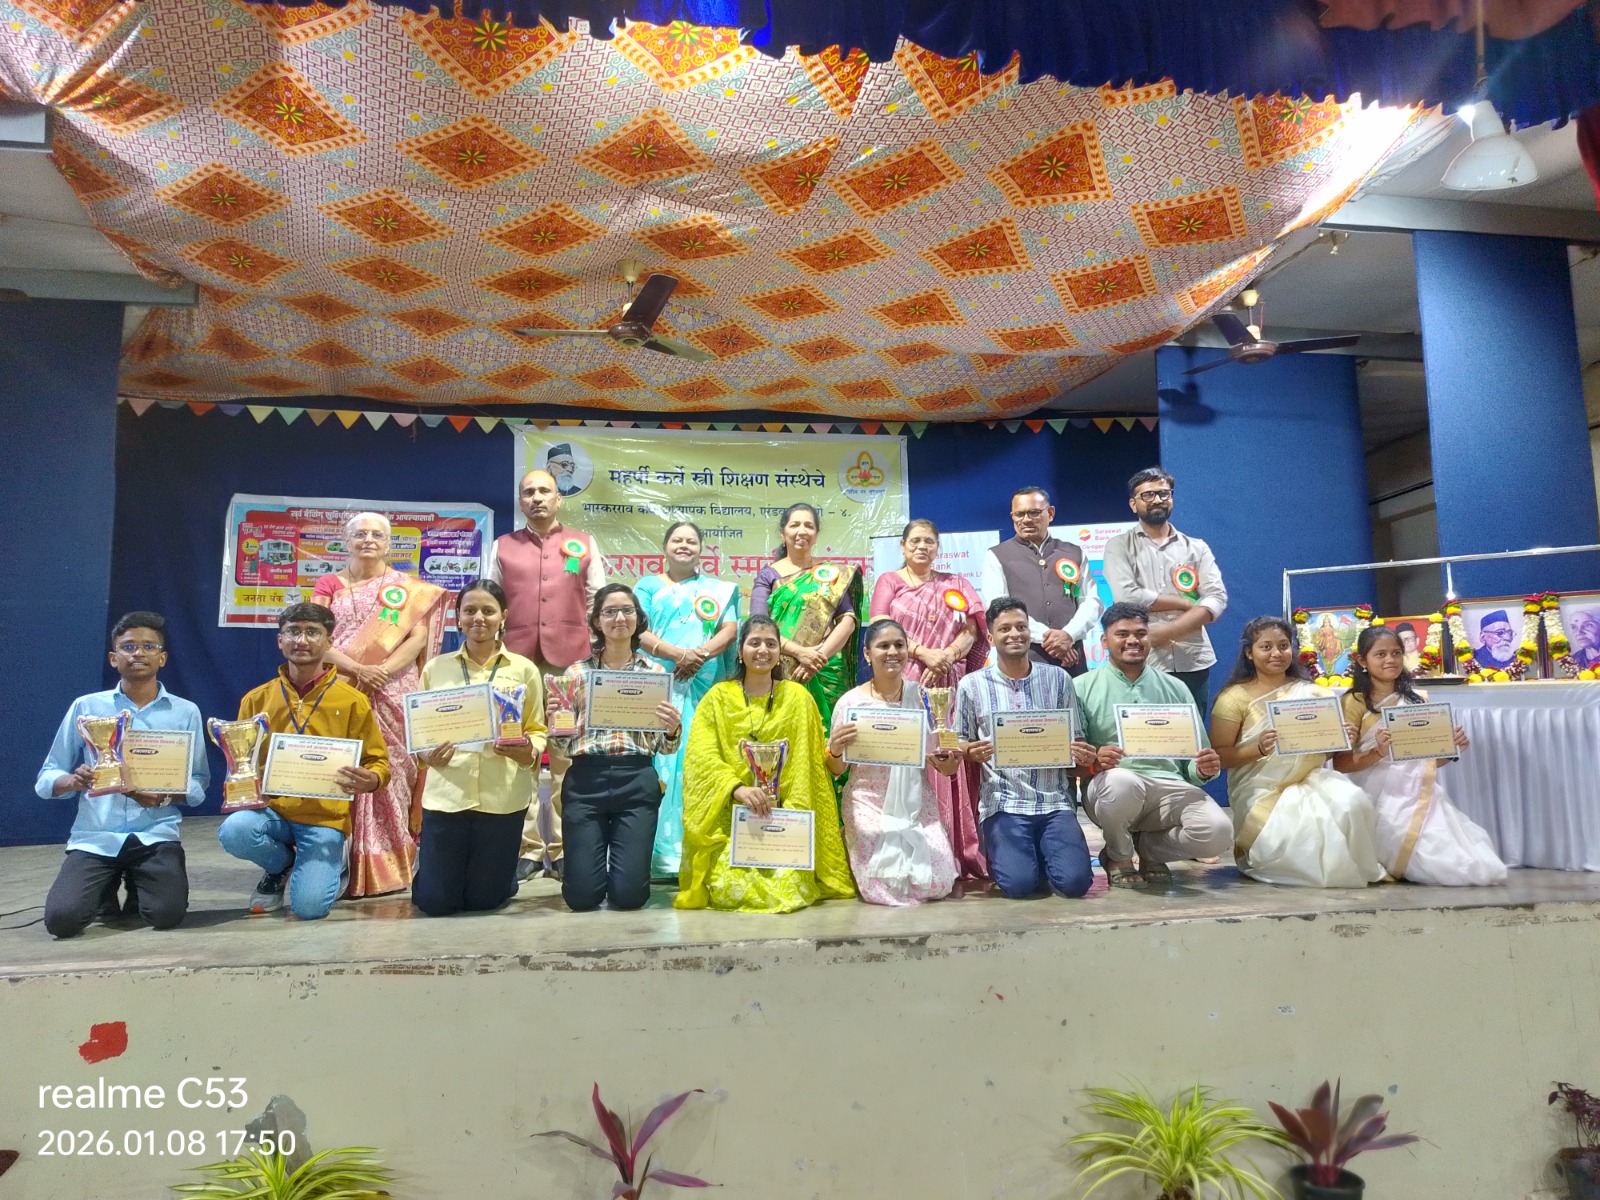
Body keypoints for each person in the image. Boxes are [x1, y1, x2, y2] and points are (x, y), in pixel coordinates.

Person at [34, 612, 208, 938]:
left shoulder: (185, 711)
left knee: (166, 915)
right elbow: (47, 776)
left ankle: (139, 884)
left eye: (148, 646)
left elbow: (198, 782)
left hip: (155, 835)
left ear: (162, 658)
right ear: (114, 658)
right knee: (62, 921)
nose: (138, 653)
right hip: (96, 836)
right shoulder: (86, 708)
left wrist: (165, 796)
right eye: (128, 647)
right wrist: (73, 781)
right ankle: (105, 886)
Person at [219, 603, 389, 920]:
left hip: (323, 819)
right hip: (272, 812)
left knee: (309, 909)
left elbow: (379, 762)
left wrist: (372, 779)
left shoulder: (353, 701)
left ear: (329, 642)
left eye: (313, 632)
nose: (302, 640)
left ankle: (332, 857)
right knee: (235, 831)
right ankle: (279, 865)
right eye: (293, 632)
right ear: (280, 640)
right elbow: (242, 762)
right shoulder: (256, 700)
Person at [676, 615, 855, 912]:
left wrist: (791, 818)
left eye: (771, 644)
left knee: (790, 889)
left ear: (780, 653)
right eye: (754, 642)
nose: (763, 650)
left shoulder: (798, 698)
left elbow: (808, 770)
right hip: (733, 816)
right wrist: (736, 788)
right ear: (740, 651)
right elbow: (702, 756)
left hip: (786, 819)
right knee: (729, 889)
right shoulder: (718, 698)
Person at [313, 511, 446, 897]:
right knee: (346, 767)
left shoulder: (406, 588)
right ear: (346, 541)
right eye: (360, 534)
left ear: (388, 544)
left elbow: (417, 638)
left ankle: (393, 865)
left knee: (395, 769)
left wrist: (382, 671)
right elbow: (316, 636)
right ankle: (339, 864)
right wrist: (359, 669)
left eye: (377, 535)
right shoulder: (328, 584)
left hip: (393, 686)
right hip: (342, 684)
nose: (368, 540)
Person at [488, 468, 606, 883]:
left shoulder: (584, 543)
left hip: (568, 664)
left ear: (559, 499)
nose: (537, 498)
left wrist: (594, 654)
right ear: (520, 502)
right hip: (515, 665)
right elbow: (489, 600)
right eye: (529, 492)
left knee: (565, 756)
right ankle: (527, 850)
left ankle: (563, 847)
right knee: (515, 749)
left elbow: (597, 601)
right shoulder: (503, 546)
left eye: (544, 491)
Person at [1208, 617, 1383, 888]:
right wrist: (1259, 748)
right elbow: (1219, 757)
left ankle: (1341, 871)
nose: (1276, 653)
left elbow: (1322, 754)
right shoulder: (1233, 698)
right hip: (1260, 789)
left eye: (1283, 645)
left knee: (1352, 802)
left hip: (1309, 780)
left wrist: (1339, 741)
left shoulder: (1315, 694)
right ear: (1249, 653)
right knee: (1297, 835)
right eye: (1266, 647)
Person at [411, 580, 548, 917]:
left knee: (485, 901)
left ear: (503, 616)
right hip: (448, 795)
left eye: (488, 611)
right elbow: (419, 731)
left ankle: (499, 879)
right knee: (435, 903)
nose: (478, 618)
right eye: (469, 610)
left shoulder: (524, 669)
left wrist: (528, 751)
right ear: (458, 617)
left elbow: (537, 729)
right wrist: (426, 754)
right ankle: (433, 877)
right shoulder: (436, 669)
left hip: (501, 798)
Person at [1074, 603, 1233, 886]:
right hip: (1112, 788)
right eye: (1122, 634)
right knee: (1121, 783)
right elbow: (1074, 756)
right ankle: (1119, 857)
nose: (1133, 640)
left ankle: (1149, 850)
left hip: (1168, 785)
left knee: (1217, 832)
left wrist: (1203, 769)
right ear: (1104, 642)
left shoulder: (1176, 688)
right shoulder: (1081, 687)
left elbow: (1193, 762)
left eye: (1140, 633)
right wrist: (1095, 757)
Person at [1334, 625, 1506, 886]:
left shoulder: (1416, 700)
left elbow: (1425, 763)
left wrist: (1452, 749)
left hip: (1417, 793)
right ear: (1362, 661)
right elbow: (1341, 764)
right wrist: (1378, 752)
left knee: (1465, 861)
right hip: (1373, 794)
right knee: (1429, 861)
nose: (1390, 660)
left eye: (1396, 653)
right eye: (1380, 654)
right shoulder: (1354, 702)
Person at [546, 584, 682, 912]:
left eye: (627, 610)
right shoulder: (576, 673)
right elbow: (563, 746)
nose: (619, 618)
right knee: (581, 898)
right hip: (586, 780)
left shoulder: (655, 675)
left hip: (636, 779)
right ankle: (588, 876)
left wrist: (672, 729)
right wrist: (556, 722)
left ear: (638, 618)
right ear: (596, 621)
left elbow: (664, 748)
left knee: (629, 897)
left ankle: (623, 876)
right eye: (610, 612)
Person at [870, 518, 991, 879]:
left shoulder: (956, 583)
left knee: (950, 752)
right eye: (915, 541)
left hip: (950, 684)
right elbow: (880, 625)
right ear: (903, 546)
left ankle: (958, 848)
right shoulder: (889, 581)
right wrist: (924, 652)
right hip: (907, 680)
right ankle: (913, 848)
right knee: (914, 757)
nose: (922, 547)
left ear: (938, 547)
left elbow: (972, 629)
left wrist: (947, 656)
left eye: (929, 542)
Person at [954, 598, 1095, 900]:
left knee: (1075, 884)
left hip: (1054, 801)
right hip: (1003, 802)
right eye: (1005, 629)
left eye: (1021, 627)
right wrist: (970, 751)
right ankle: (1028, 859)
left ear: (1030, 632)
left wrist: (1082, 752)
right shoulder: (971, 685)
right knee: (1018, 886)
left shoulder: (1058, 679)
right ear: (990, 638)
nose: (1014, 634)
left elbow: (1077, 737)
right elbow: (959, 740)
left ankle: (1043, 855)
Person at [828, 619, 960, 906]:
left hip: (915, 802)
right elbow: (836, 769)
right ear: (867, 654)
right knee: (882, 888)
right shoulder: (851, 703)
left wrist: (948, 763)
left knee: (937, 883)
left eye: (899, 645)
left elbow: (943, 763)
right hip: (867, 799)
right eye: (883, 646)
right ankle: (852, 835)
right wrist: (836, 749)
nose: (892, 652)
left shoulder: (922, 697)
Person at [634, 522, 740, 879]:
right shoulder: (648, 586)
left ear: (701, 549)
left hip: (700, 685)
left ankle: (692, 848)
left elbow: (729, 630)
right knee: (657, 763)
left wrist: (699, 655)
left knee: (696, 758)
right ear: (665, 547)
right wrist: (678, 654)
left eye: (691, 541)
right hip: (657, 684)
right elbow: (638, 630)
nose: (684, 545)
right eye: (677, 540)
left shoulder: (718, 590)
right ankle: (652, 852)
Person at [1102, 468, 1227, 716]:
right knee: (1149, 729)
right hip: (1143, 660)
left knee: (1193, 730)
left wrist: (1169, 631)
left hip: (1193, 658)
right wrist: (1184, 604)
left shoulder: (1197, 547)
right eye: (1148, 495)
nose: (1157, 500)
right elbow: (1127, 596)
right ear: (1133, 504)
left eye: (1163, 493)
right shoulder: (1118, 545)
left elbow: (1216, 597)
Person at [750, 502, 863, 733]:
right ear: (783, 534)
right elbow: (759, 626)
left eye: (809, 526)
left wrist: (818, 658)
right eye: (795, 525)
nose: (802, 531)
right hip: (783, 666)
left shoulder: (831, 574)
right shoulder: (768, 575)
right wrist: (800, 653)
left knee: (831, 735)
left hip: (827, 667)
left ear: (816, 535)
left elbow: (848, 620)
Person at [978, 486, 1101, 674]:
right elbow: (998, 608)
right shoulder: (996, 555)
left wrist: (1069, 635)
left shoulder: (1073, 552)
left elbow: (1091, 601)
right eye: (1019, 514)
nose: (1026, 520)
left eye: (1034, 513)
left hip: (1072, 656)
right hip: (1025, 658)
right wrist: (1050, 640)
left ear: (1050, 513)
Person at [1314, 614, 1351, 678]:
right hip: (1325, 641)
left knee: (1338, 644)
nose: (1326, 623)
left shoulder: (1331, 628)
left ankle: (1333, 660)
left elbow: (1334, 634)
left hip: (1333, 640)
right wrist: (1321, 638)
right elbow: (1319, 636)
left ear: (1329, 623)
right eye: (1325, 622)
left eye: (1327, 622)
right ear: (1323, 623)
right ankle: (1329, 663)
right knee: (1328, 649)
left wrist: (1335, 634)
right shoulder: (1322, 629)